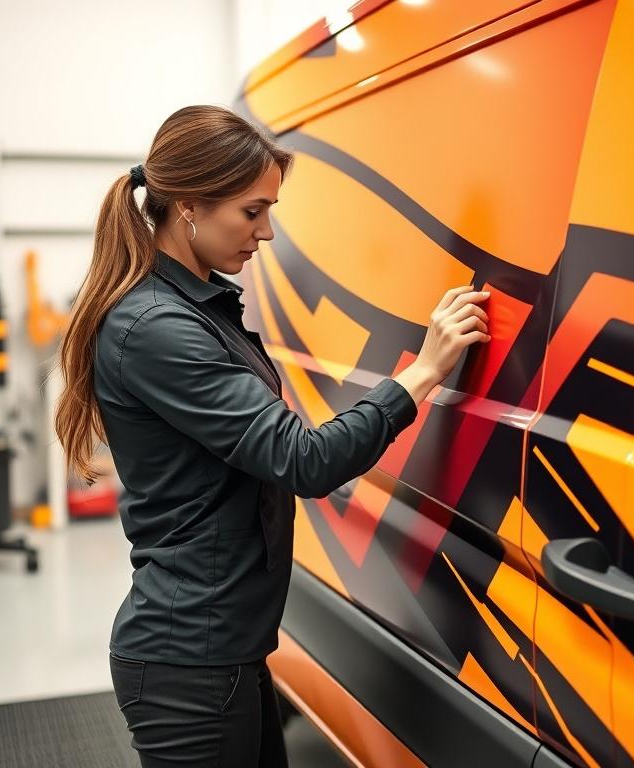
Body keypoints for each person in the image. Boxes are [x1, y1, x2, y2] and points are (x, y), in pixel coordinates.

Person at [52, 104, 491, 767]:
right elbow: (302, 459)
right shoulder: (156, 328)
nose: (267, 233)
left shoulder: (201, 303)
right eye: (252, 212)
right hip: (189, 665)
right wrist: (425, 371)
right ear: (191, 206)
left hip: (226, 651)